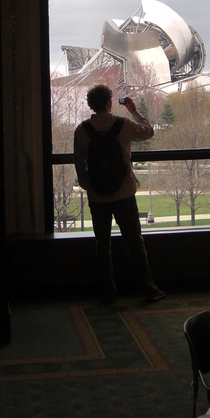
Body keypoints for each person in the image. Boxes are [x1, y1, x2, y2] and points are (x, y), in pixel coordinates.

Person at [74, 83, 165, 304]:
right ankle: (149, 288)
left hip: (97, 197)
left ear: (90, 104)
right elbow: (149, 131)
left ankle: (107, 292)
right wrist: (134, 111)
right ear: (109, 102)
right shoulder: (123, 125)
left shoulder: (82, 130)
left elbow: (79, 163)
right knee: (134, 241)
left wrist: (88, 185)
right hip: (124, 193)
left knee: (102, 244)